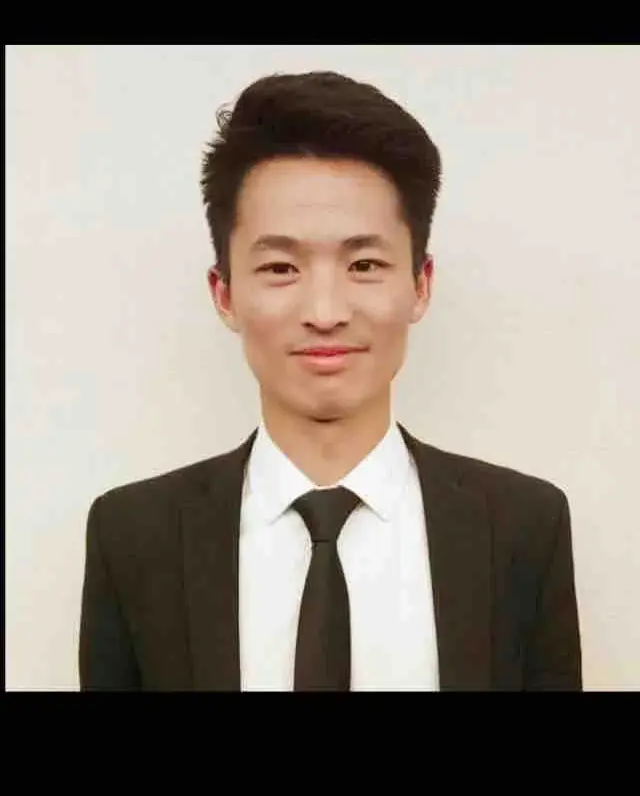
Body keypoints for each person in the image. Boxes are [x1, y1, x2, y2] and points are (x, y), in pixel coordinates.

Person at [79, 70, 582, 691]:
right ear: (224, 293)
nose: (324, 311)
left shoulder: (522, 527)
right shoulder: (133, 536)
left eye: (364, 264)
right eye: (280, 267)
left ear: (421, 284)